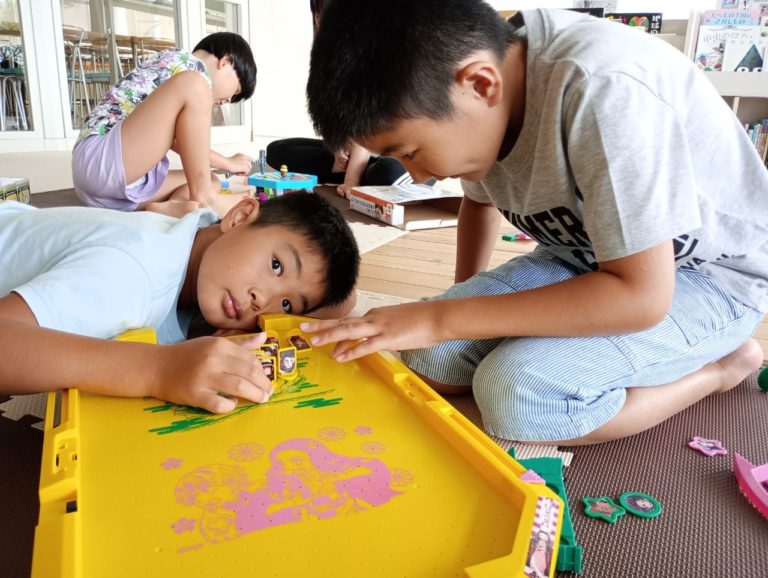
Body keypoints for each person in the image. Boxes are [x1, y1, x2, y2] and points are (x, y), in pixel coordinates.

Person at [300, 0, 768, 445]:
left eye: (409, 152)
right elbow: (479, 206)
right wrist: (460, 306)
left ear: (481, 85)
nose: (417, 176)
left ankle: (719, 369)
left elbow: (642, 297)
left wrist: (444, 318)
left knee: (518, 395)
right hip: (582, 257)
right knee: (430, 356)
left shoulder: (604, 90)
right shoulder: (478, 90)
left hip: (709, 278)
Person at [0, 193, 359, 413]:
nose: (262, 301)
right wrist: (158, 369)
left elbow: (343, 303)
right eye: (276, 265)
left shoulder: (207, 237)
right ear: (238, 217)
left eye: (287, 305)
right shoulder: (130, 275)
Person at [72, 31, 258, 218]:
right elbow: (183, 143)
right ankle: (206, 199)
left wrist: (228, 163)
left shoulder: (176, 71)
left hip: (108, 190)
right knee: (195, 84)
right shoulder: (189, 66)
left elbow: (188, 144)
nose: (228, 100)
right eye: (235, 91)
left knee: (212, 180)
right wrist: (228, 162)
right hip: (101, 156)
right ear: (225, 62)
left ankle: (173, 206)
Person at [265, 0, 417, 198]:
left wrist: (351, 180)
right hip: (355, 151)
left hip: (388, 152)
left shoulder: (372, 51)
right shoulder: (328, 59)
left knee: (387, 171)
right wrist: (337, 147)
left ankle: (359, 174)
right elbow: (340, 122)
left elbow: (366, 128)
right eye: (317, 14)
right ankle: (356, 173)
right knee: (277, 150)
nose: (319, 20)